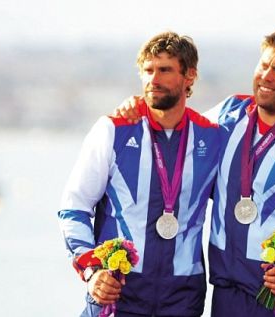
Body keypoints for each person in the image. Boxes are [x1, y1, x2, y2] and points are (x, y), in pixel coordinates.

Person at [117, 27, 275, 316]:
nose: (266, 76)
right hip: (228, 294)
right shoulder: (227, 114)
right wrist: (139, 106)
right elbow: (176, 136)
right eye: (264, 65)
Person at [58, 32, 220, 317]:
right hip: (117, 290)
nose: (153, 80)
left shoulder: (213, 137)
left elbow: (246, 192)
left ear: (190, 75)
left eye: (165, 70)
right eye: (148, 70)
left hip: (182, 298)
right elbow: (74, 208)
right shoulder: (113, 130)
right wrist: (92, 271)